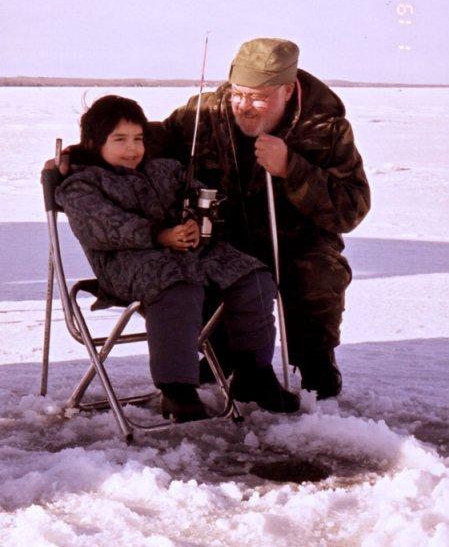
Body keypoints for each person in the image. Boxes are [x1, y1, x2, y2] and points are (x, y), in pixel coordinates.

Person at [51, 95, 300, 422]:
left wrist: (199, 221)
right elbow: (101, 227)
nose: (132, 149)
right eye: (120, 140)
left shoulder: (164, 169)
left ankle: (254, 373)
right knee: (178, 284)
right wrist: (159, 234)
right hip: (129, 266)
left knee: (252, 276)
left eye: (138, 139)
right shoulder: (82, 183)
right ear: (95, 143)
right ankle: (177, 389)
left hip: (188, 254)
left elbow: (202, 197)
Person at [147, 38, 371, 400]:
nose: (244, 107)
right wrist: (83, 154)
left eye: (259, 97)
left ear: (287, 89)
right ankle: (222, 354)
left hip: (297, 242)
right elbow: (150, 141)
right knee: (192, 268)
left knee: (318, 275)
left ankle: (315, 360)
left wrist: (292, 169)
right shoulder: (206, 113)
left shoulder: (326, 129)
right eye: (238, 93)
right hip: (225, 236)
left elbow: (352, 207)